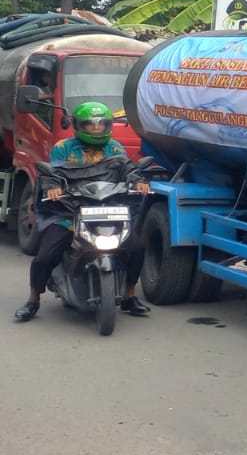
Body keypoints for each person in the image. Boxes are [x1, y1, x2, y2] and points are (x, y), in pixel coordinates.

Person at [14, 101, 149, 323]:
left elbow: (128, 170)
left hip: (106, 211)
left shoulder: (115, 148)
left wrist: (139, 181)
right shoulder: (63, 148)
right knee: (45, 256)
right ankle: (33, 299)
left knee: (136, 247)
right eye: (90, 125)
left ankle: (129, 295)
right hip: (69, 212)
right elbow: (52, 173)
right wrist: (53, 187)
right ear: (78, 126)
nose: (96, 129)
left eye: (101, 124)